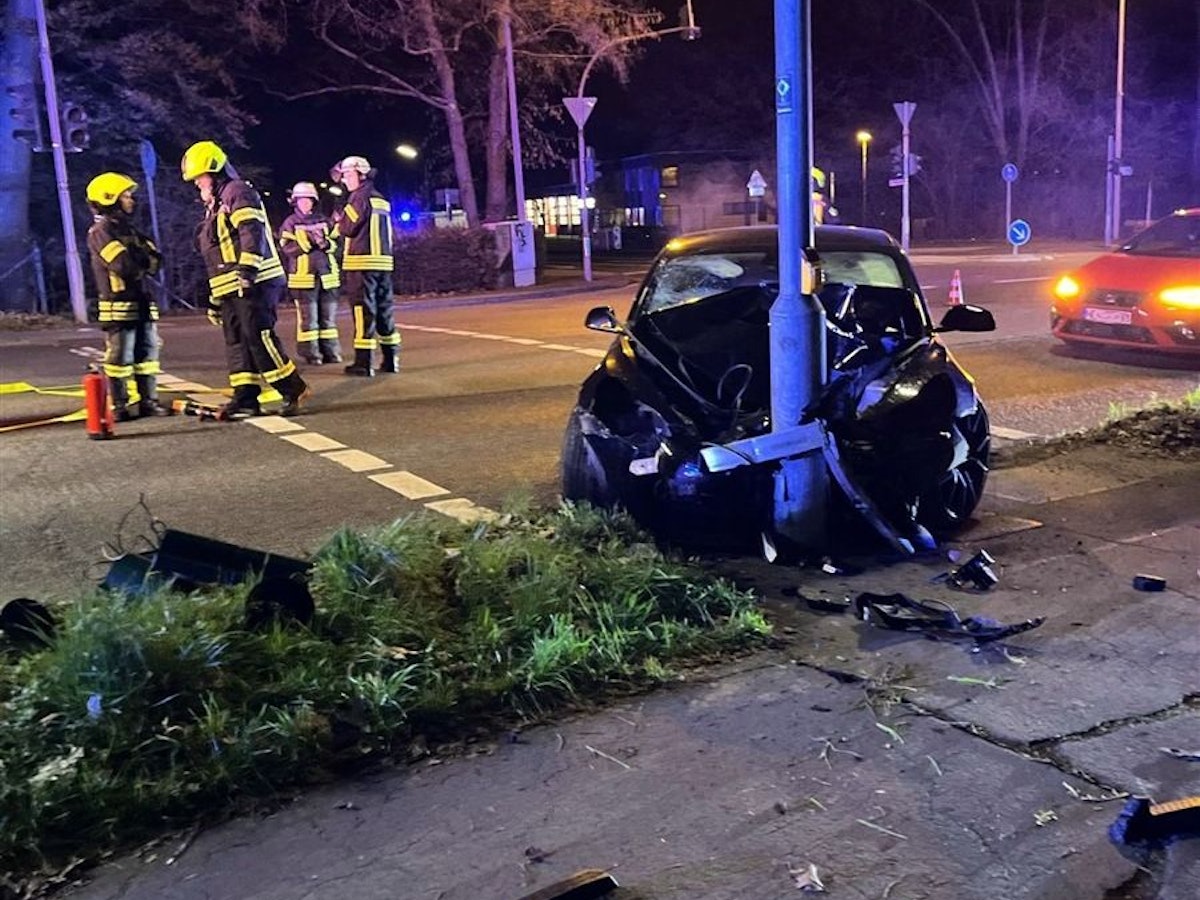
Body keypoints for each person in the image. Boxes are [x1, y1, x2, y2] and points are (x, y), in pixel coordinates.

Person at [180, 140, 310, 417]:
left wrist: (248, 272)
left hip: (256, 281)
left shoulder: (238, 192)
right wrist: (216, 298)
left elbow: (251, 231)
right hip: (231, 286)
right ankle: (246, 396)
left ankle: (292, 389)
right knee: (236, 340)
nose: (197, 183)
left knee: (258, 336)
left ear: (214, 171)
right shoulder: (215, 204)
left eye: (200, 177)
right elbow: (217, 255)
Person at [84, 172, 170, 420]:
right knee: (120, 356)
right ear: (109, 198)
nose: (131, 200)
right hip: (118, 306)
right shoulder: (100, 231)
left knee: (148, 354)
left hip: (141, 302)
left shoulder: (129, 229)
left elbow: (157, 261)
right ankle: (120, 406)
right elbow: (123, 265)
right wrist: (141, 259)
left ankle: (148, 401)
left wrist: (140, 259)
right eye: (126, 196)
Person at [331, 156, 398, 376]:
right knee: (385, 311)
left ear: (360, 175)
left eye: (347, 175)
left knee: (363, 312)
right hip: (383, 264)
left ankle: (363, 362)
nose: (344, 180)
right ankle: (391, 359)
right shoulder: (380, 198)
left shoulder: (359, 197)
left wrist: (339, 220)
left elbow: (348, 228)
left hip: (361, 263)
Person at [279, 182, 341, 365]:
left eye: (308, 200)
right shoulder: (290, 223)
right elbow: (286, 248)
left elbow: (338, 244)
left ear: (314, 201)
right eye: (301, 200)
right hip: (303, 279)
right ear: (295, 202)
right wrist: (308, 242)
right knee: (309, 320)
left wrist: (326, 244)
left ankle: (331, 352)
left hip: (327, 277)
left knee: (328, 319)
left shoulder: (325, 220)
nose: (305, 203)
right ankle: (312, 354)